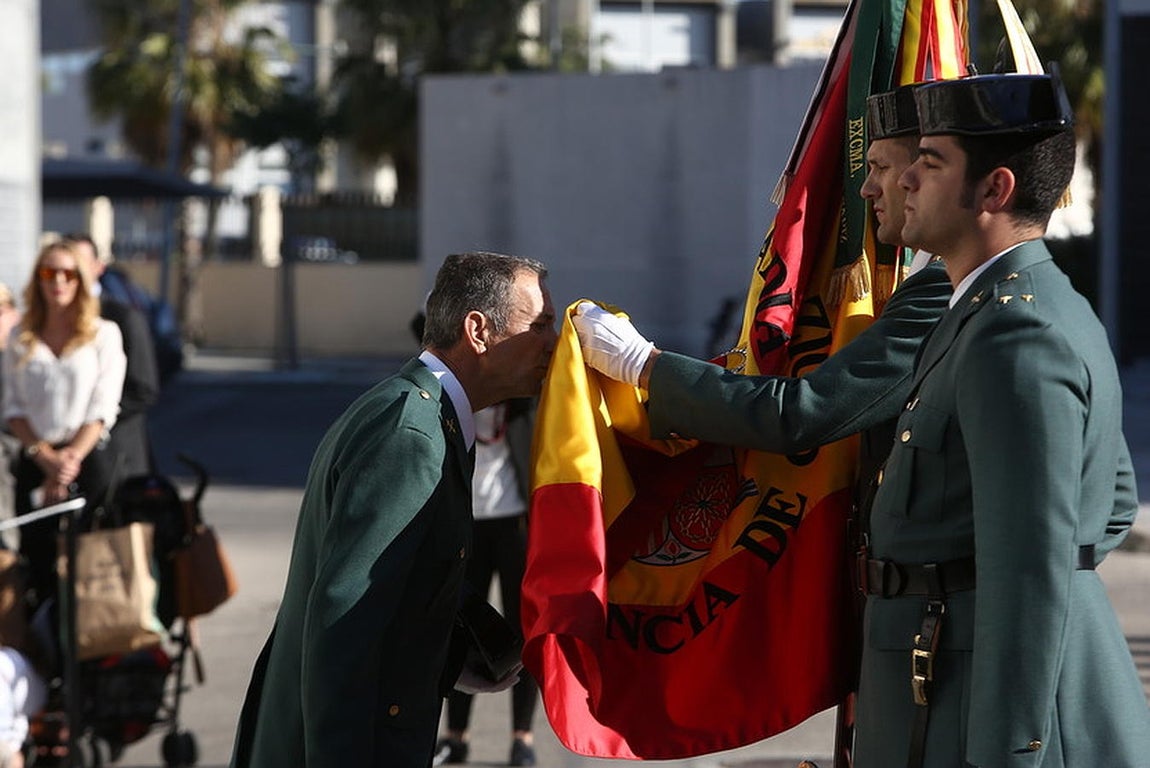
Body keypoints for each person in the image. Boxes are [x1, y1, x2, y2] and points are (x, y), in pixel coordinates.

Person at [854, 73, 1149, 767]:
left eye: (929, 164)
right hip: (947, 679)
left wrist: (1009, 749)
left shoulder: (1014, 337)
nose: (901, 183)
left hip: (982, 710)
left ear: (994, 191)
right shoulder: (1007, 308)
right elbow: (1105, 507)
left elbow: (1029, 573)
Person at [230, 251, 557, 768]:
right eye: (539, 325)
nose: (551, 343)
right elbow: (344, 627)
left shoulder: (424, 415)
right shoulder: (411, 435)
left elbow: (402, 587)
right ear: (478, 331)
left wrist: (448, 656)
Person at [572, 83, 951, 477]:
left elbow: (802, 413)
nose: (866, 188)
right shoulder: (934, 277)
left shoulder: (942, 287)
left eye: (881, 168)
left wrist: (642, 364)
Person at [2, 240, 126, 608]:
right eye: (48, 273)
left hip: (87, 462)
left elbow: (103, 406)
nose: (58, 281)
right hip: (36, 461)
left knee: (89, 567)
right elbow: (13, 408)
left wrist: (69, 461)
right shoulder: (20, 335)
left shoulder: (103, 333)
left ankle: (89, 655)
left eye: (68, 274)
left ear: (81, 281)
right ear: (37, 280)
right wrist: (47, 460)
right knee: (37, 562)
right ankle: (44, 655)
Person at [433, 398, 540, 767]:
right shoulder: (459, 398)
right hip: (468, 524)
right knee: (461, 629)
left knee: (523, 629)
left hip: (517, 525)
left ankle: (521, 737)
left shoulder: (524, 402)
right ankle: (455, 736)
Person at [65, 235, 160, 481]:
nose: (71, 272)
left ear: (99, 267)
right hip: (59, 459)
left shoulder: (121, 318)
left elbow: (142, 389)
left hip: (112, 462)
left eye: (80, 262)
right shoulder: (46, 322)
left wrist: (88, 424)